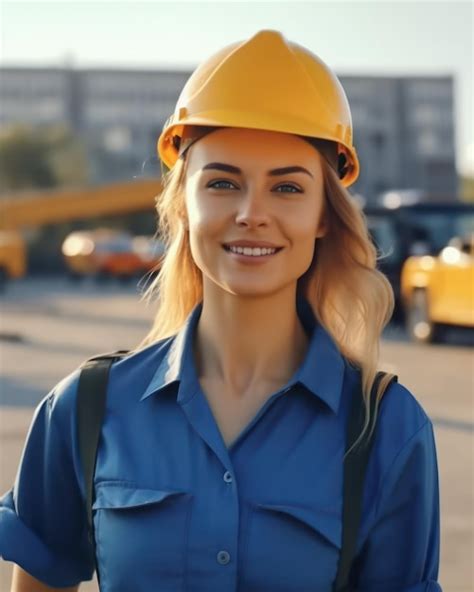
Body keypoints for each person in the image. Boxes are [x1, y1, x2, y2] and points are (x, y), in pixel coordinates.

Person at [0, 29, 442, 592]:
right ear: (183, 203)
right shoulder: (84, 409)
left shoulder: (388, 431)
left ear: (325, 216)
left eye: (287, 189)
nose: (252, 214)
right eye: (223, 183)